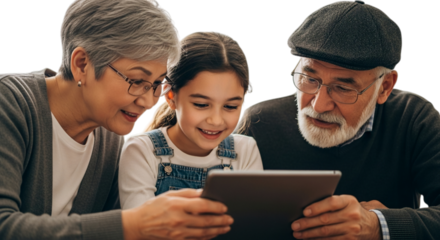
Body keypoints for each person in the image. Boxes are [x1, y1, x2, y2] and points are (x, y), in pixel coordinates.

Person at [0, 0, 233, 239]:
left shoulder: (111, 142)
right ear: (82, 64)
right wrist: (133, 225)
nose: (148, 102)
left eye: (156, 85)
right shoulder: (10, 103)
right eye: (136, 81)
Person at [236, 0, 440, 239]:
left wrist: (378, 225)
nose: (319, 105)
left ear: (384, 87)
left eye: (343, 88)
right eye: (309, 79)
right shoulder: (260, 122)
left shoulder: (413, 119)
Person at [119, 30, 263, 209]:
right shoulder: (141, 150)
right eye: (201, 105)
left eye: (230, 106)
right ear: (171, 96)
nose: (216, 121)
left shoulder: (245, 150)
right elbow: (139, 230)